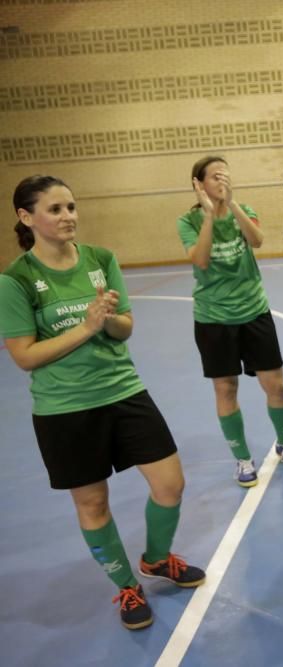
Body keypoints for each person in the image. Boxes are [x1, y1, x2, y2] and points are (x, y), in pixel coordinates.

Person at [0, 175, 206, 631]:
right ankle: (126, 586)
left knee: (170, 485)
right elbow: (24, 356)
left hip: (123, 390)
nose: (68, 216)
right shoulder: (16, 281)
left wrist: (108, 318)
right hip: (64, 409)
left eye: (71, 207)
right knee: (93, 504)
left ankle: (156, 559)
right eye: (54, 209)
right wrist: (86, 327)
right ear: (25, 216)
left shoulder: (101, 259)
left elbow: (125, 326)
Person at [177, 157, 283, 488]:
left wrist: (231, 205)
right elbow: (201, 259)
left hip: (254, 311)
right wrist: (208, 215)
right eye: (215, 176)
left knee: (275, 385)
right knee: (226, 388)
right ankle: (243, 459)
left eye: (226, 173)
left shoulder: (242, 209)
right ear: (198, 184)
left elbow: (258, 239)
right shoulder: (187, 221)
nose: (223, 179)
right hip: (213, 319)